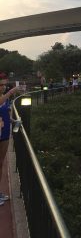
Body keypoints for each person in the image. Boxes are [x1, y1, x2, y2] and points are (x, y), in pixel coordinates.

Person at [0, 73, 24, 206]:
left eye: (4, 84)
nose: (3, 87)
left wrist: (13, 120)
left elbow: (4, 113)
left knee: (0, 163)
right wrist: (11, 91)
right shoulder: (4, 97)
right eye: (0, 85)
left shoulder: (5, 98)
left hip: (4, 134)